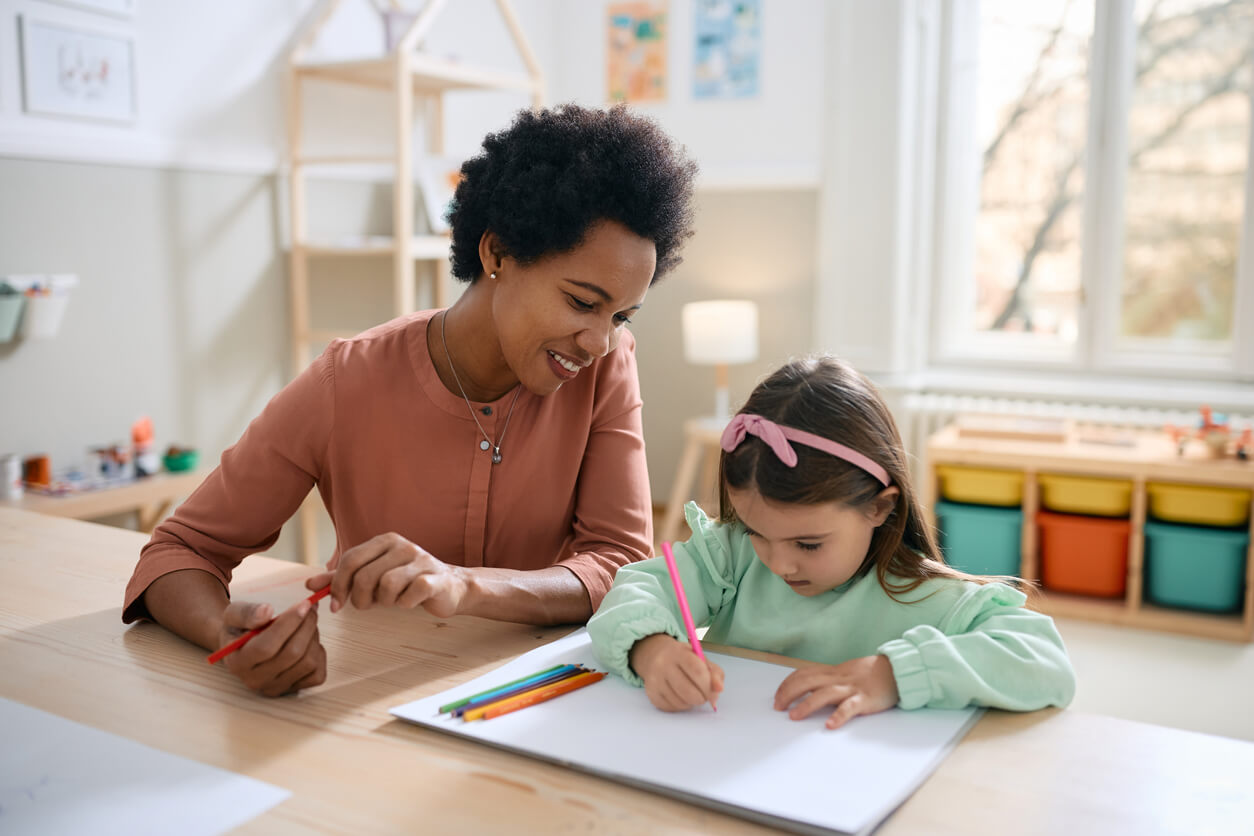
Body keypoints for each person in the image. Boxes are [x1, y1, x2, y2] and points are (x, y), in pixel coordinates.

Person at [123, 104, 698, 697]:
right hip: (371, 696)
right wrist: (228, 634)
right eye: (582, 303)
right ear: (497, 253)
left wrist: (463, 586)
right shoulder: (346, 381)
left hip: (539, 698)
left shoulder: (606, 367)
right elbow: (179, 551)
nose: (600, 341)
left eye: (622, 315)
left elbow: (620, 567)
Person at [587, 356, 1076, 728]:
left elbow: (1046, 663)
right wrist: (651, 649)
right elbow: (630, 592)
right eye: (759, 533)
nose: (779, 563)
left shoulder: (930, 598)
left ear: (879, 508)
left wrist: (891, 674)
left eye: (808, 544)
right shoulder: (731, 555)